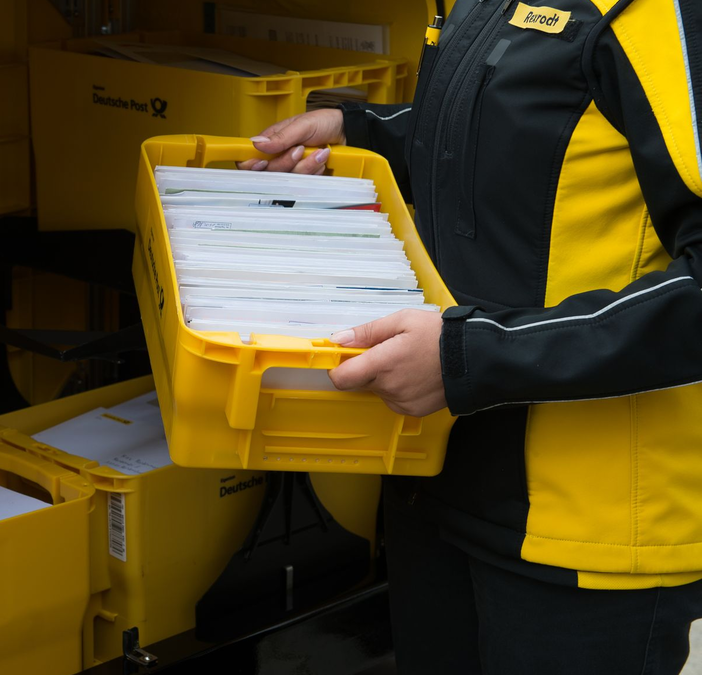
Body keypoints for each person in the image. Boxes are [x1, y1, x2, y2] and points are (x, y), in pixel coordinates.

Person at [242, 0, 702, 673]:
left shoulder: (657, 12)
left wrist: (473, 355)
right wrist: (364, 131)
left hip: (580, 538)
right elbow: (528, 135)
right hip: (437, 484)